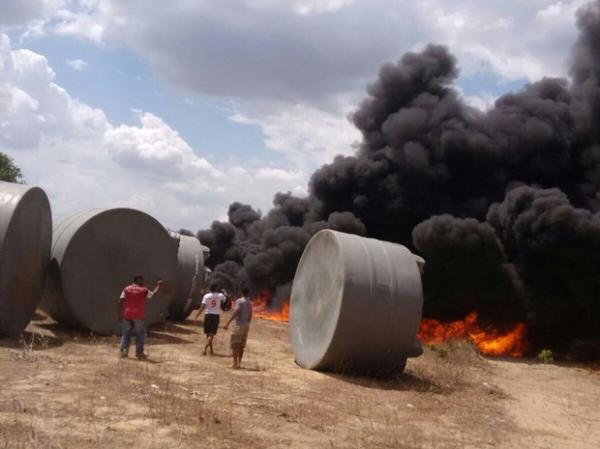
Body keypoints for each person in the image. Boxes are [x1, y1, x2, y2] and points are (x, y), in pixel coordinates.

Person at [118, 275, 162, 360]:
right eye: (142, 280)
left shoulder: (126, 289)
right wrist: (158, 286)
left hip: (127, 314)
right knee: (140, 334)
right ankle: (139, 353)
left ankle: (123, 352)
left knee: (126, 334)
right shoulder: (144, 290)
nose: (143, 282)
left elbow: (120, 301)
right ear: (138, 280)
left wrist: (119, 314)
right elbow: (153, 295)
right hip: (138, 315)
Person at [193, 283, 227, 355]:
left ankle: (210, 350)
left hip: (208, 315)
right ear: (216, 288)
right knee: (212, 334)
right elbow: (225, 299)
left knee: (208, 334)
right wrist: (224, 292)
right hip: (216, 316)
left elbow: (202, 307)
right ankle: (205, 349)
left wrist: (196, 316)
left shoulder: (206, 296)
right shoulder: (220, 295)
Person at [224, 287, 253, 369]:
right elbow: (251, 315)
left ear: (241, 293)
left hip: (239, 324)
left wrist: (227, 323)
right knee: (242, 345)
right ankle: (239, 363)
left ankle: (234, 363)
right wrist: (247, 323)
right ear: (248, 293)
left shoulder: (239, 301)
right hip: (246, 325)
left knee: (235, 344)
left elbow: (236, 312)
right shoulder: (250, 303)